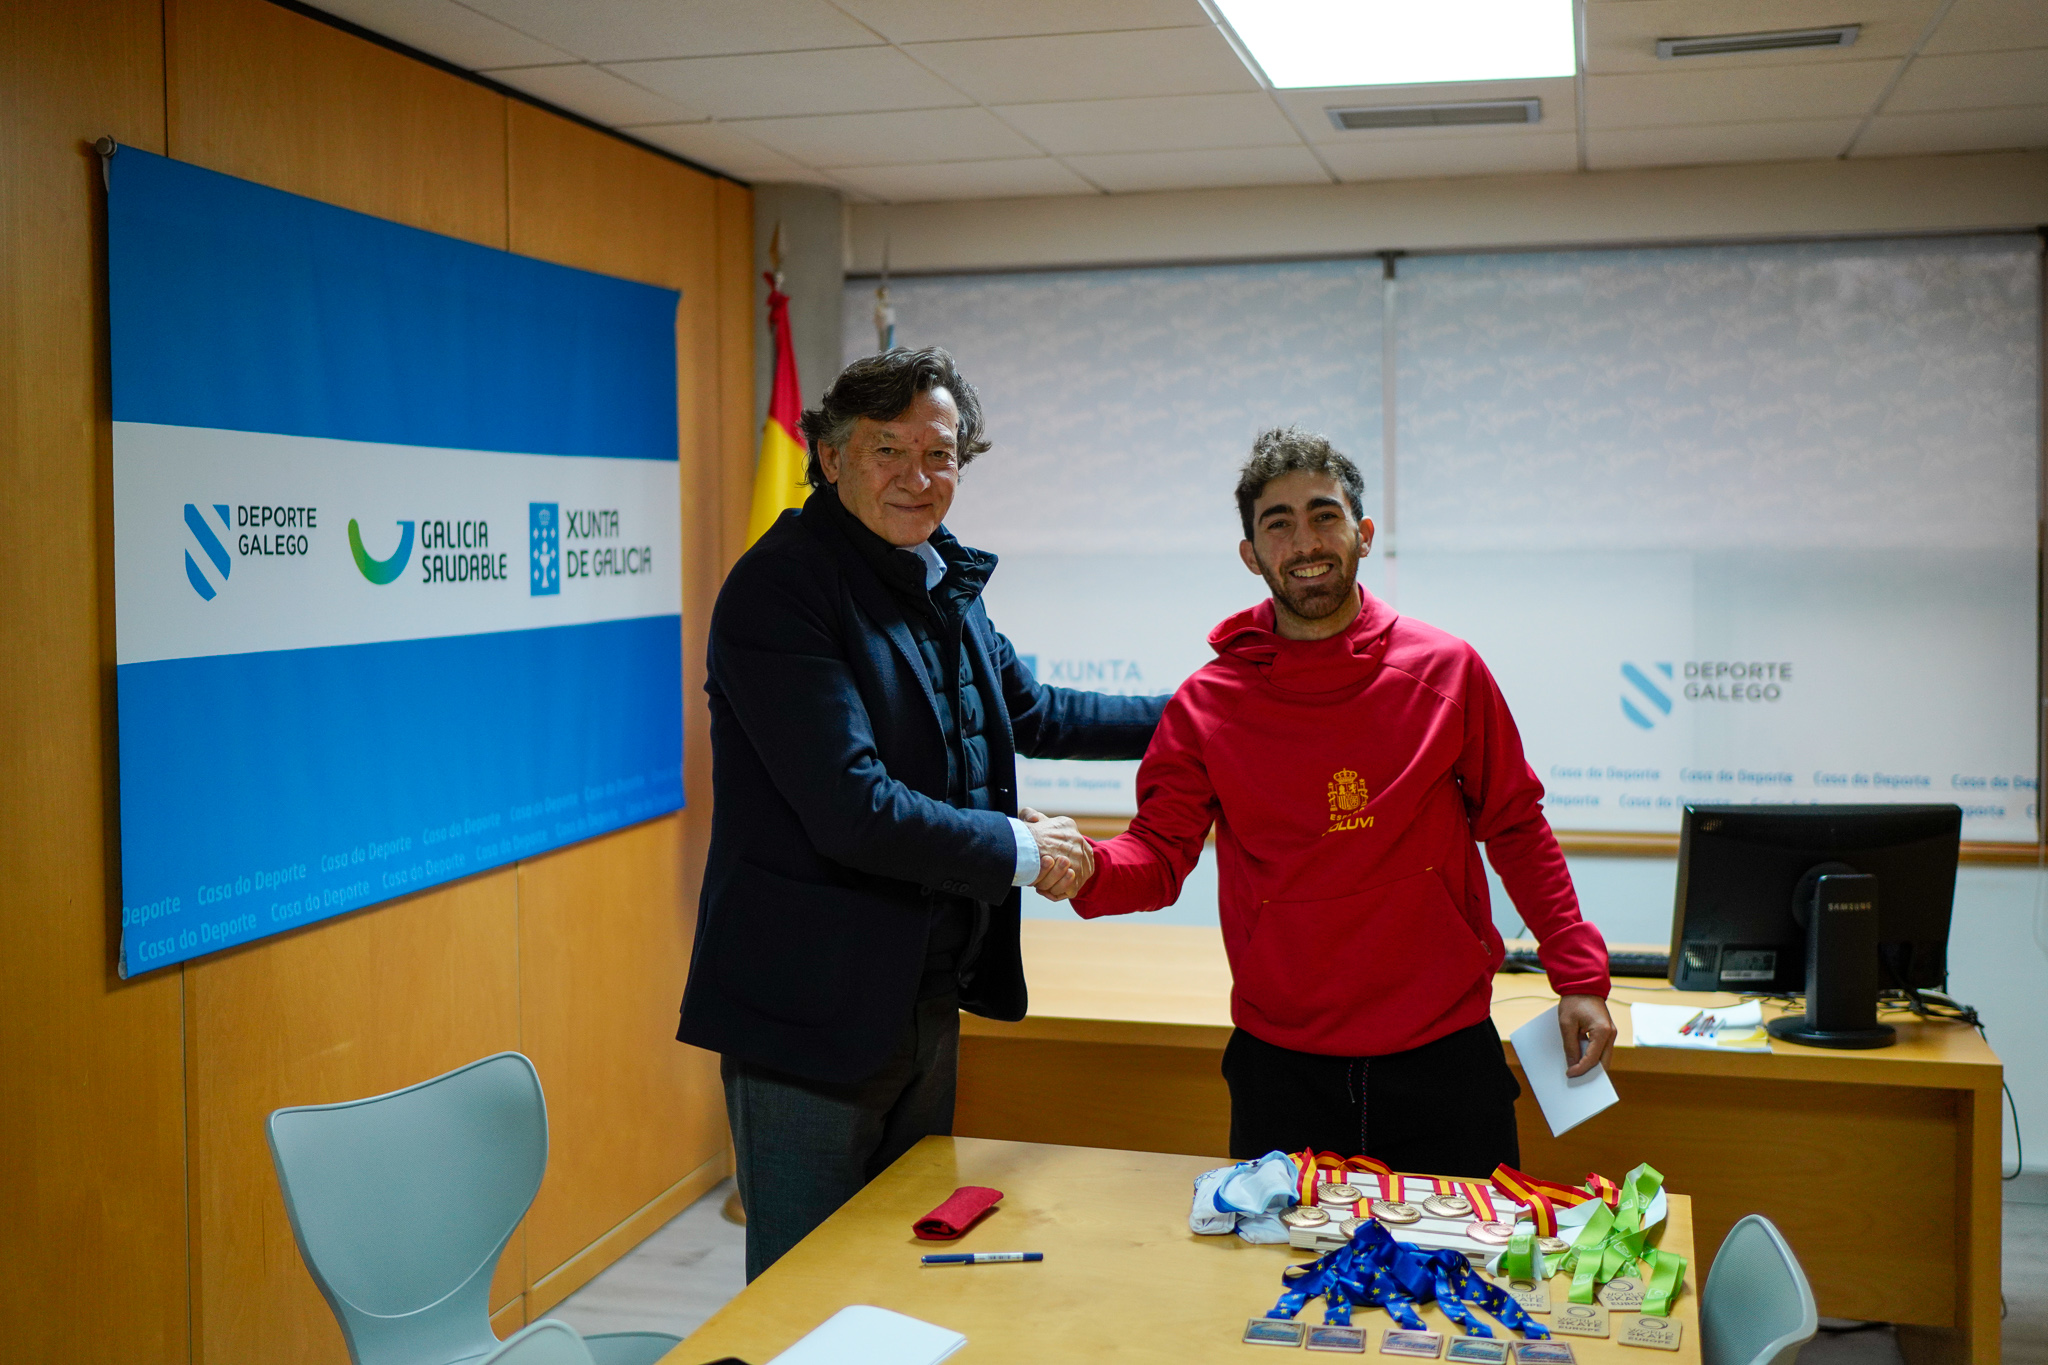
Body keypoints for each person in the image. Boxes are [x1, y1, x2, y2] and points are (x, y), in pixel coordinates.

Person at [677, 347, 1166, 1279]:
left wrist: (1212, 709)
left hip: (927, 996)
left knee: (902, 1270)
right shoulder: (781, 587)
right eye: (887, 450)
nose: (918, 475)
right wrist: (1025, 850)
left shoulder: (937, 573)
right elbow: (854, 809)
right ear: (830, 456)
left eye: (939, 453)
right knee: (806, 1287)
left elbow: (1035, 712)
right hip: (809, 1012)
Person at [1054, 426, 1614, 1177]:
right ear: (1251, 553)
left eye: (1324, 515)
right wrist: (1085, 867)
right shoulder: (1207, 705)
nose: (1305, 541)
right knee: (1282, 1258)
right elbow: (1156, 855)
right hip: (1283, 1068)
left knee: (1467, 1256)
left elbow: (1515, 824)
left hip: (1444, 1056)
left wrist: (1578, 977)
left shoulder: (1446, 672)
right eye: (1278, 524)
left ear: (1364, 533)